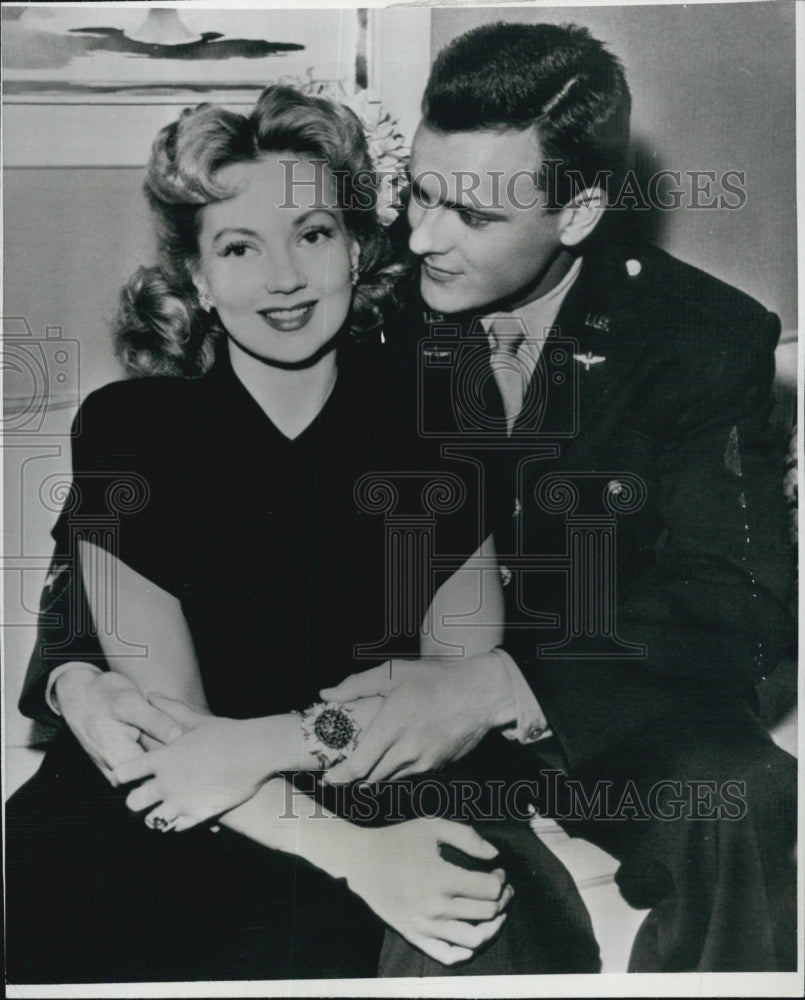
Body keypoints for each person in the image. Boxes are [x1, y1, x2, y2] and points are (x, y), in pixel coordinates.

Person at [5, 84, 535, 984]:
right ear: (199, 280)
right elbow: (169, 730)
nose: (283, 277)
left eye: (314, 235)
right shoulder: (130, 428)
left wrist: (312, 773)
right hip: (162, 808)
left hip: (387, 790)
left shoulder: (441, 409)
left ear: (359, 250)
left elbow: (447, 695)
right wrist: (349, 855)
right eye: (239, 246)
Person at [317, 22, 798, 973]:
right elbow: (183, 459)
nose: (421, 240)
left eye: (473, 216)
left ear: (576, 213)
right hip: (412, 704)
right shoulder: (354, 307)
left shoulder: (705, 337)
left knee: (741, 801)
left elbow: (740, 602)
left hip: (623, 704)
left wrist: (509, 685)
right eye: (420, 192)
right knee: (473, 909)